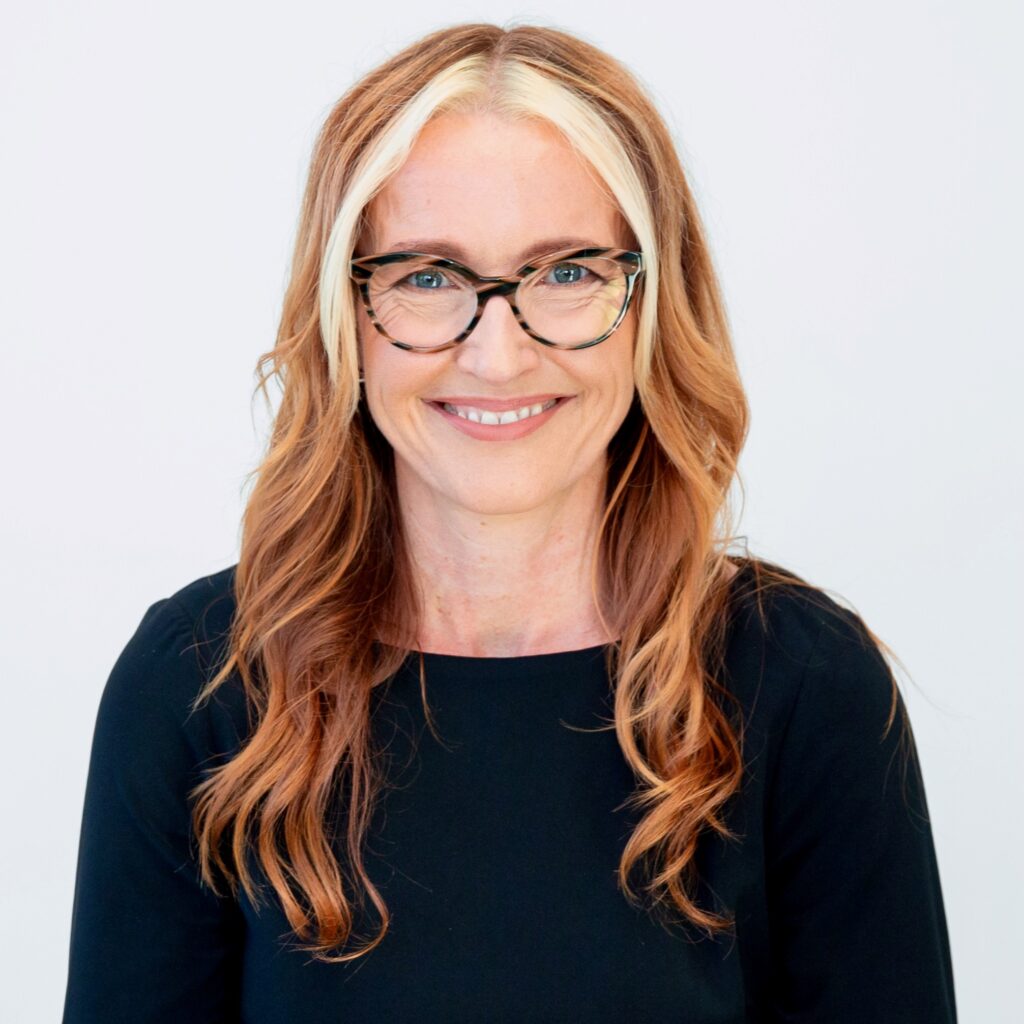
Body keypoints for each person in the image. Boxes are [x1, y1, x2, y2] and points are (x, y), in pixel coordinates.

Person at [61, 21, 957, 1023]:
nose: (498, 355)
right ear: (345, 316)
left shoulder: (802, 686)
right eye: (428, 276)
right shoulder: (200, 685)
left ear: (652, 300)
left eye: (566, 273)